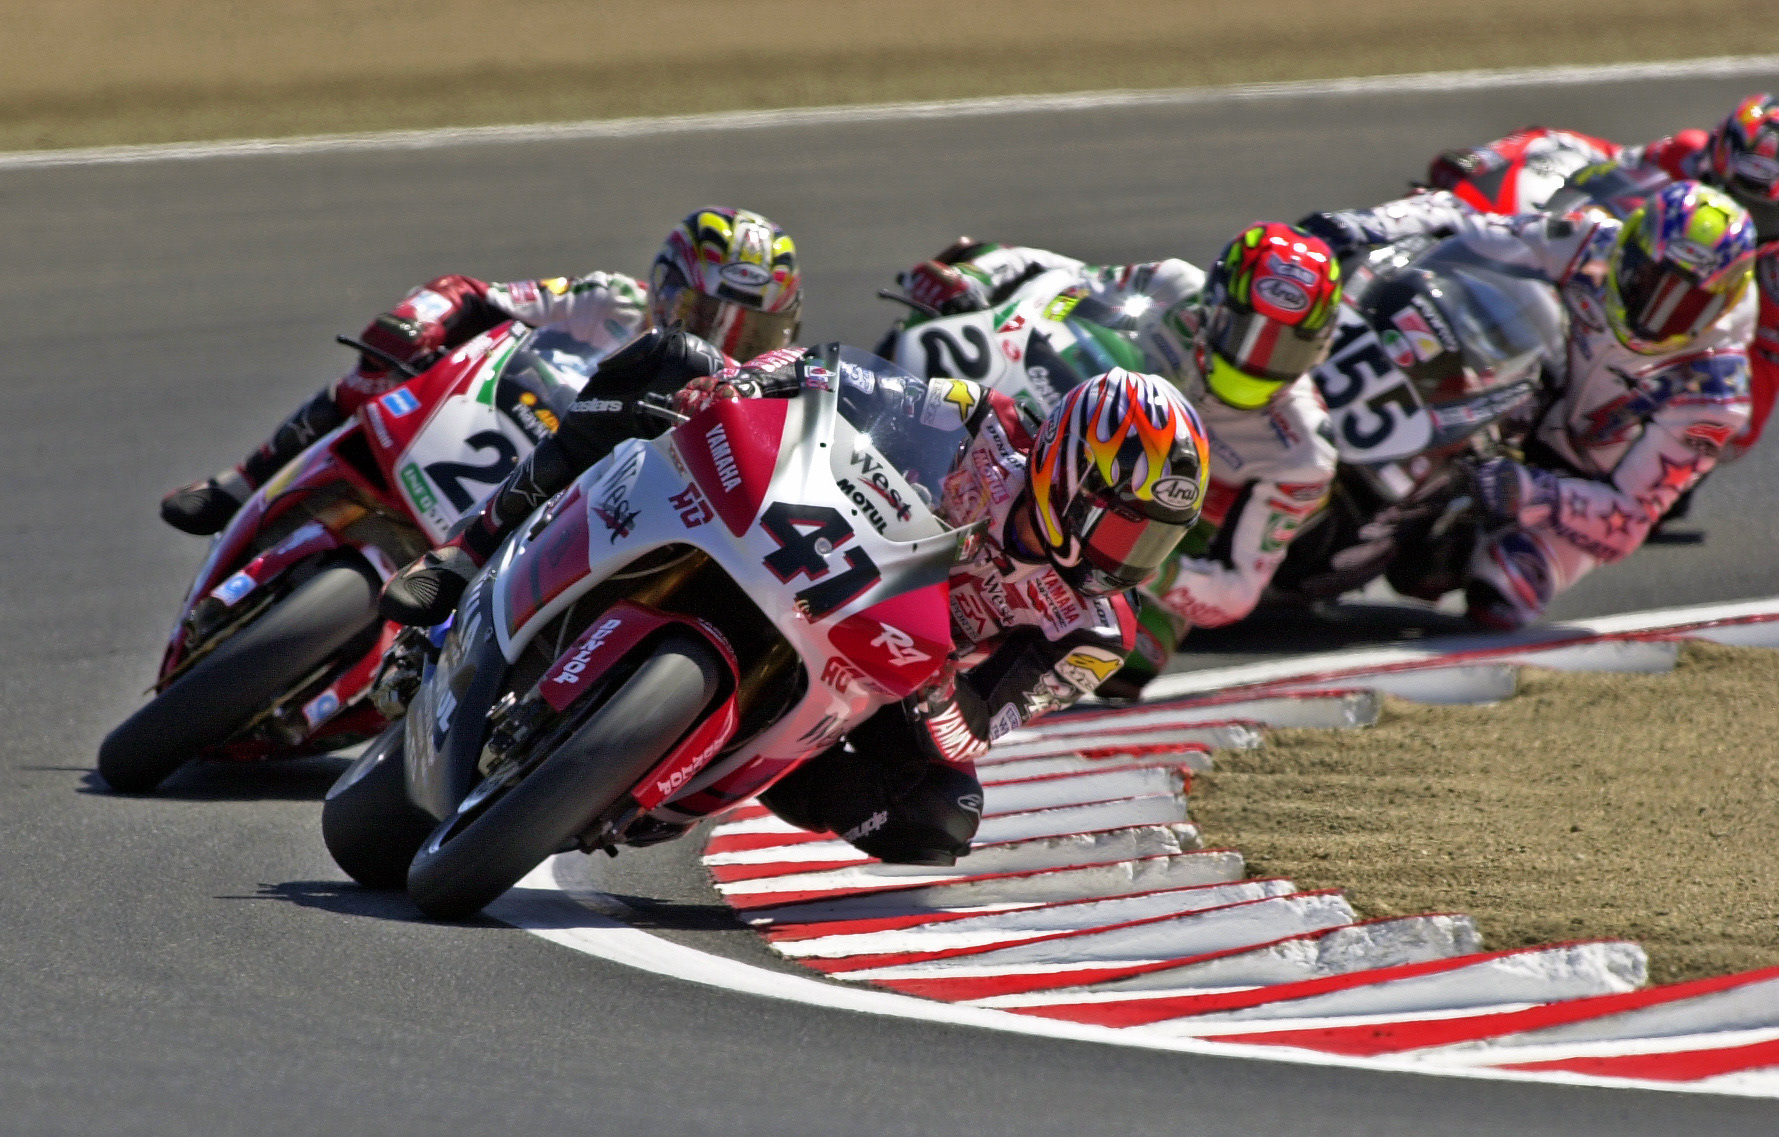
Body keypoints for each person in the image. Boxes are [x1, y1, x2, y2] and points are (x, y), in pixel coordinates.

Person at [380, 344, 1211, 865]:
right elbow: (839, 376)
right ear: (1066, 471)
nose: (1129, 557)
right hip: (818, 538)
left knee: (939, 816)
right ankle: (465, 555)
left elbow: (979, 727)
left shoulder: (1096, 630)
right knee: (668, 360)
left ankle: (719, 765)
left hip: (892, 670)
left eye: (1156, 539)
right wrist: (739, 381)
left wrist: (926, 691)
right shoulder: (983, 420)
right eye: (1125, 524)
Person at [158, 207, 802, 535]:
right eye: (702, 313)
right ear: (663, 289)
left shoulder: (741, 401)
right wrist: (420, 318)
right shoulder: (615, 299)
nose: (718, 340)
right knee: (380, 373)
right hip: (485, 418)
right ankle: (239, 485)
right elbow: (475, 293)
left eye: (750, 329)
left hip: (559, 507)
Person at [896, 222, 1342, 695]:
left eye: (1284, 346)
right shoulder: (1170, 285)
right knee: (962, 274)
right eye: (1244, 331)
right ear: (1212, 306)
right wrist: (979, 280)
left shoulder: (1303, 449)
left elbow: (1235, 593)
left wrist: (1134, 560)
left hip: (1146, 541)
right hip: (1081, 446)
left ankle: (963, 697)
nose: (1256, 360)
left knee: (1124, 658)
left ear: (1321, 345)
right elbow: (1060, 278)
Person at [1298, 179, 1757, 629]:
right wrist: (1363, 225)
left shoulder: (1714, 392)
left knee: (1506, 586)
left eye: (1685, 304)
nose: (1655, 313)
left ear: (1724, 302)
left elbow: (1629, 519)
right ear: (1629, 250)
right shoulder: (1590, 241)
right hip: (1523, 393)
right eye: (1647, 281)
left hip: (1574, 476)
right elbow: (1470, 225)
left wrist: (1529, 490)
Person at [1427, 95, 1779, 462]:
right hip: (1607, 287)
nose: (1741, 222)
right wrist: (1490, 159)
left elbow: (1743, 427)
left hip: (1659, 367)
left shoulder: (1772, 282)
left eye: (1765, 215)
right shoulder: (1686, 154)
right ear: (1717, 163)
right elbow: (1589, 154)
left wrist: (1688, 413)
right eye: (1741, 199)